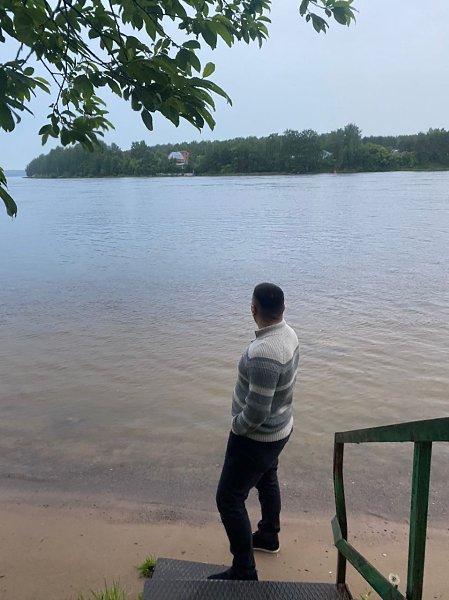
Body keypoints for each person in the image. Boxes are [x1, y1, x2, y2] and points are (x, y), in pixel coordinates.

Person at [209, 282, 299, 581]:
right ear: (283, 308)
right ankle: (269, 536)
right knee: (267, 478)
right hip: (279, 429)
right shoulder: (288, 334)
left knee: (228, 499)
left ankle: (244, 570)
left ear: (253, 309)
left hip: (256, 438)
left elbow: (257, 411)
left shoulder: (264, 352)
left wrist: (237, 426)